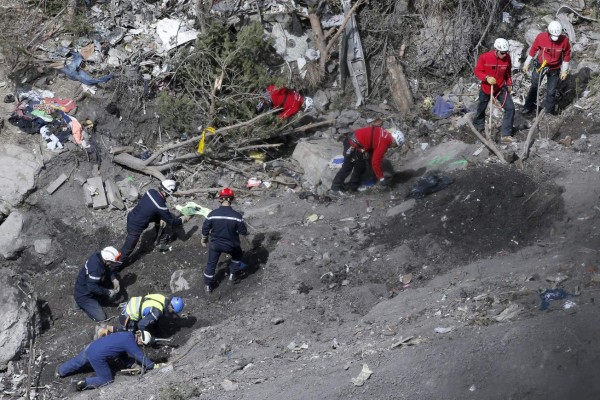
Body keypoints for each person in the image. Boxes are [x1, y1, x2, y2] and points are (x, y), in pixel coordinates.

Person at [56, 330, 166, 391]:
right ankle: (82, 383)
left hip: (92, 347)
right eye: (144, 344)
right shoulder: (131, 343)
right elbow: (140, 356)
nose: (143, 346)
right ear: (141, 341)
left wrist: (131, 365)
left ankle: (60, 371)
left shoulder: (126, 334)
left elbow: (122, 353)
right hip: (98, 356)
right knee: (106, 380)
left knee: (78, 362)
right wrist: (152, 366)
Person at [119, 179, 191, 267]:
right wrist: (184, 218)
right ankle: (113, 268)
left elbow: (151, 206)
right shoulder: (160, 205)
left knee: (160, 219)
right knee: (126, 250)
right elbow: (173, 222)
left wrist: (161, 217)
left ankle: (161, 243)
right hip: (135, 227)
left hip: (131, 216)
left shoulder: (151, 191)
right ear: (168, 192)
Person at [330, 124, 405, 196]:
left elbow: (372, 145)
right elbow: (375, 162)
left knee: (360, 165)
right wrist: (381, 178)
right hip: (352, 144)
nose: (393, 147)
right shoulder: (385, 142)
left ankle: (353, 186)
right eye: (395, 145)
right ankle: (335, 188)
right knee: (347, 166)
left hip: (357, 143)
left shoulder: (384, 133)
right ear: (394, 141)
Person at [201, 188, 248, 293]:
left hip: (215, 245)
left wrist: (204, 239)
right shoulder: (237, 216)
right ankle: (232, 277)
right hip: (232, 245)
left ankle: (208, 286)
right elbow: (243, 232)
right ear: (232, 199)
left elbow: (205, 229)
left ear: (220, 199)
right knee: (237, 255)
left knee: (211, 264)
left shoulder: (212, 214)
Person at [522, 21, 571, 116]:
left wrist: (565, 70)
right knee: (534, 86)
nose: (555, 40)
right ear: (548, 32)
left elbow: (566, 54)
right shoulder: (541, 37)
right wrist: (526, 63)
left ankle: (549, 110)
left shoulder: (564, 40)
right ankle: (528, 106)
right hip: (540, 66)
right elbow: (533, 50)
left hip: (555, 68)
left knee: (551, 90)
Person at [473, 38, 515, 143]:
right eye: (502, 53)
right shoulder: (485, 57)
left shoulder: (507, 58)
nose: (504, 55)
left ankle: (506, 134)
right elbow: (477, 71)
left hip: (500, 87)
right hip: (486, 87)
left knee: (510, 108)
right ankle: (478, 126)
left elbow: (508, 72)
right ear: (496, 50)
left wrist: (509, 83)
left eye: (506, 52)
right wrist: (486, 77)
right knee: (481, 108)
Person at [94, 294, 185, 338]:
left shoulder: (162, 298)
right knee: (128, 337)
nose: (172, 315)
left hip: (128, 308)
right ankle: (103, 333)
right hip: (128, 317)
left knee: (129, 331)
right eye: (173, 312)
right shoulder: (157, 312)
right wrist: (145, 338)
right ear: (171, 307)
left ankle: (105, 327)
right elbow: (141, 325)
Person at [74, 247, 122, 322]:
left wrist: (114, 279)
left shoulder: (99, 256)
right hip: (85, 295)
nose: (113, 264)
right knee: (101, 318)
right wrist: (108, 292)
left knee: (105, 282)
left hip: (88, 284)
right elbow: (92, 287)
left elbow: (108, 268)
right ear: (107, 260)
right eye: (112, 262)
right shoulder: (96, 269)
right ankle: (80, 304)